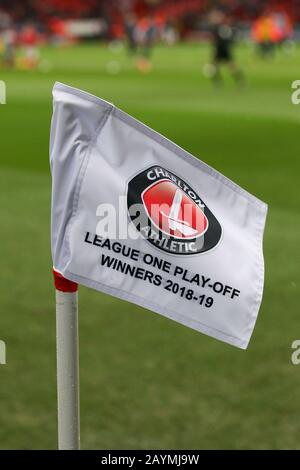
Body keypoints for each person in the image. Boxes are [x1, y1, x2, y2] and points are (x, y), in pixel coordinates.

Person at [209, 9, 244, 87]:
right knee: (215, 66)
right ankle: (220, 82)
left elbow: (220, 40)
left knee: (227, 67)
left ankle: (220, 83)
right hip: (223, 49)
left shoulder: (221, 27)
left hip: (222, 50)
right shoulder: (223, 27)